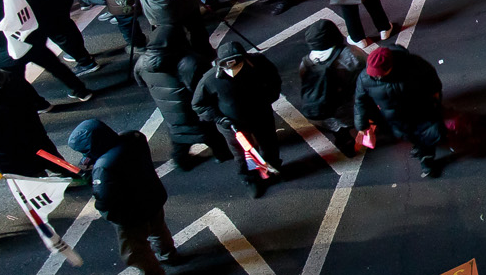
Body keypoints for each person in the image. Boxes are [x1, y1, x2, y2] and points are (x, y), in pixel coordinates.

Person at [66, 118, 180, 275]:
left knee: (134, 250)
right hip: (152, 196)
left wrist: (94, 179)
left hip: (130, 214)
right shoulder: (135, 137)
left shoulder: (103, 167)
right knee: (158, 230)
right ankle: (169, 255)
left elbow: (104, 199)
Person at [192, 35, 284, 197]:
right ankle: (250, 179)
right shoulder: (210, 79)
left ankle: (271, 170)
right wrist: (220, 119)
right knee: (243, 155)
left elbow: (274, 79)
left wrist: (269, 97)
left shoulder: (259, 63)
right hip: (232, 126)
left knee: (269, 144)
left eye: (237, 65)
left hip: (261, 116)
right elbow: (199, 104)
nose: (233, 71)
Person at [133, 23, 230, 171]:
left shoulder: (141, 63)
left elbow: (141, 83)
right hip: (194, 113)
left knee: (179, 139)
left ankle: (182, 162)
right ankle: (222, 155)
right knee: (213, 136)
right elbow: (205, 88)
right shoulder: (191, 62)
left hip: (170, 114)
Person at [352, 41, 446, 178]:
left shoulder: (413, 64)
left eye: (378, 74)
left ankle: (426, 160)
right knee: (411, 136)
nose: (374, 77)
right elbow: (360, 101)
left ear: (390, 67)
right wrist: (361, 125)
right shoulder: (365, 78)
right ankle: (419, 148)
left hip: (421, 111)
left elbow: (432, 80)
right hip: (396, 119)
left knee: (428, 136)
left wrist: (435, 100)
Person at [296, 18, 364, 149]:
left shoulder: (306, 62)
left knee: (340, 133)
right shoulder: (350, 55)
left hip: (324, 111)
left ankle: (347, 146)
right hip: (350, 107)